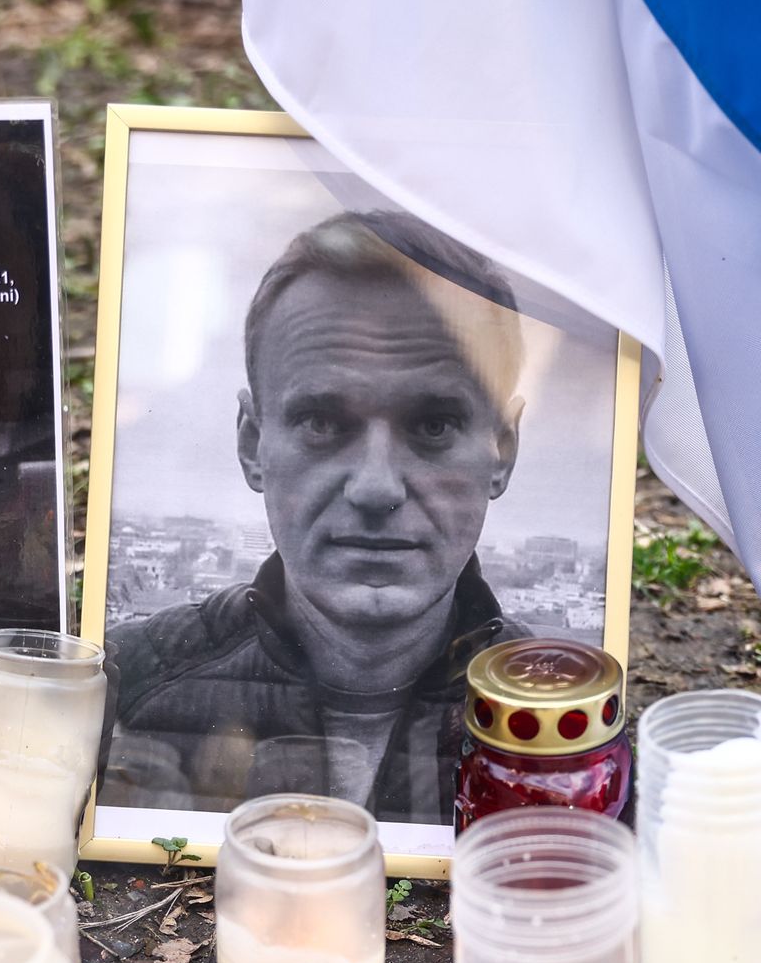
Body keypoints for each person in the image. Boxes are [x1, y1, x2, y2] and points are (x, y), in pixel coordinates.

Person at [101, 210, 531, 825]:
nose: (376, 488)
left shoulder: (577, 729)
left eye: (433, 426)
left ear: (502, 451)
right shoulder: (124, 688)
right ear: (252, 444)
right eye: (323, 424)